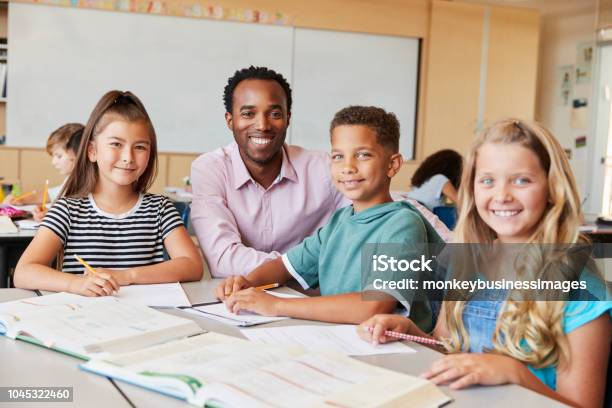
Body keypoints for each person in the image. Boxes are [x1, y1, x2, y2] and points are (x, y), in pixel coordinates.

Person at [358, 119, 611, 407]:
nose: (502, 195)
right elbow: (450, 348)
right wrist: (412, 333)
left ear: (552, 188)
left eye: (521, 180)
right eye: (488, 180)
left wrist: (513, 372)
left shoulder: (579, 288)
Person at [191, 66, 450, 278]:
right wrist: (313, 266)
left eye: (275, 113)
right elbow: (223, 260)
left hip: (314, 300)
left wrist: (465, 254)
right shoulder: (210, 168)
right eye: (248, 113)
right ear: (230, 120)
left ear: (288, 118)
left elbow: (388, 205)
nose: (262, 125)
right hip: (245, 297)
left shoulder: (321, 166)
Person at [215, 106, 443, 326]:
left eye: (363, 155)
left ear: (392, 165)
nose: (348, 167)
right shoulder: (339, 221)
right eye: (338, 157)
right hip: (343, 338)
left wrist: (276, 305)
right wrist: (248, 282)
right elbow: (283, 267)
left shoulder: (402, 224)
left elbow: (372, 307)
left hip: (398, 350)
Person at [14, 90, 203, 296]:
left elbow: (193, 266)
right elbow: (23, 272)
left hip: (146, 320)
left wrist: (128, 276)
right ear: (92, 151)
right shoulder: (67, 210)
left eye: (139, 147)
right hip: (82, 321)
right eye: (116, 144)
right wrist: (75, 284)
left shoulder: (160, 209)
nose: (128, 157)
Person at [3, 123, 84, 222]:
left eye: (59, 156)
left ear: (78, 153)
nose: (53, 162)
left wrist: (51, 213)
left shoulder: (85, 184)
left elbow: (76, 214)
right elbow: (49, 194)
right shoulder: (70, 179)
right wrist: (21, 199)